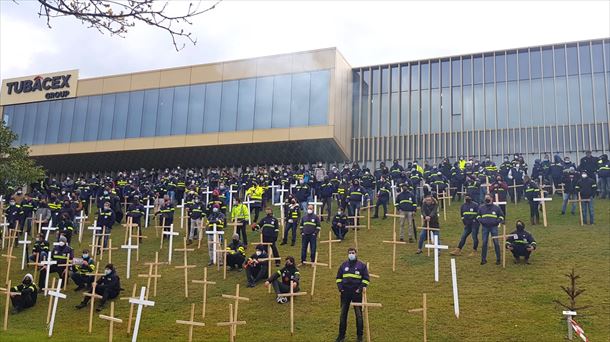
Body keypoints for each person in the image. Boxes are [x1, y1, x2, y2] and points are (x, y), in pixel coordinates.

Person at [335, 248, 369, 342]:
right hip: (345, 293)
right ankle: (341, 336)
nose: (351, 254)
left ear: (356, 254)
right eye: (349, 253)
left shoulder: (362, 266)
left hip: (356, 293)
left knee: (358, 315)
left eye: (353, 253)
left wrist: (360, 289)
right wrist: (340, 288)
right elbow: (338, 278)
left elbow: (366, 279)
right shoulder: (343, 265)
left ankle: (359, 336)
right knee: (343, 315)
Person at [477, 194, 504, 265]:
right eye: (485, 198)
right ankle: (483, 259)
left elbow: (501, 216)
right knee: (484, 243)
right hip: (485, 227)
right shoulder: (481, 207)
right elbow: (478, 215)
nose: (486, 199)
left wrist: (497, 221)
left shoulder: (496, 208)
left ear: (491, 199)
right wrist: (481, 221)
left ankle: (498, 259)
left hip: (494, 227)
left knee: (496, 243)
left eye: (488, 198)